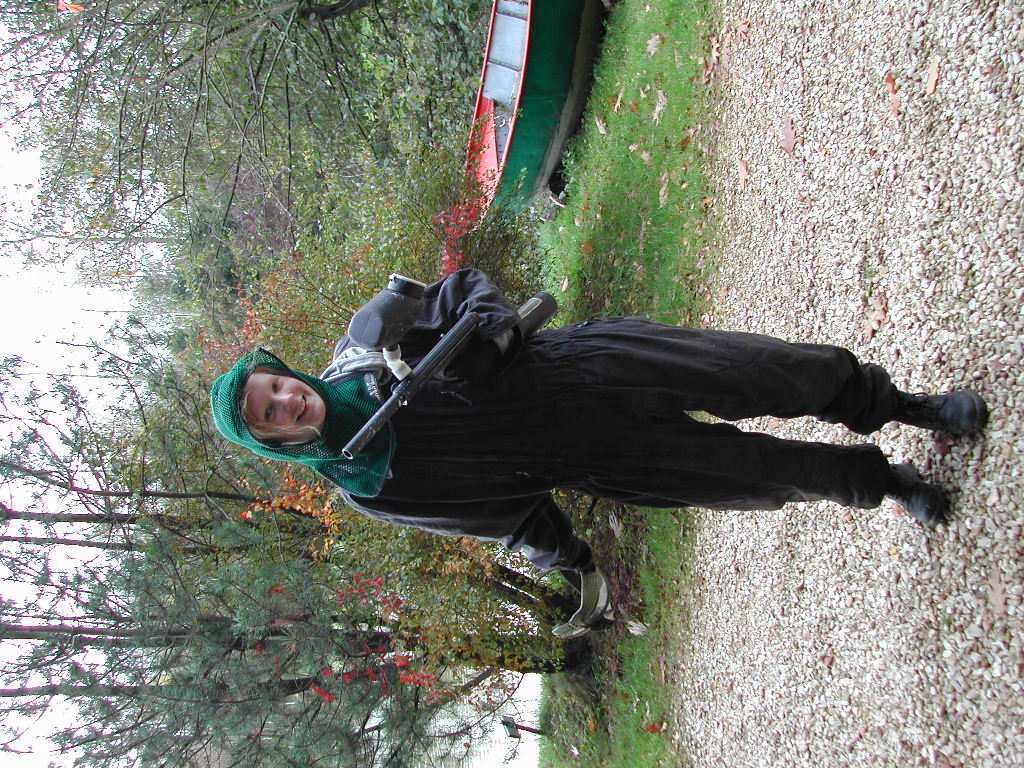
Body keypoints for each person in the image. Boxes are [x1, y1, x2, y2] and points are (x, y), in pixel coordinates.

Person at [210, 269, 988, 636]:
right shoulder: (366, 485)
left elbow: (459, 291)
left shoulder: (364, 346)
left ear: (284, 372)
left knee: (765, 373)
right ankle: (886, 482)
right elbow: (492, 515)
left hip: (590, 365)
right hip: (609, 459)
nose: (284, 401)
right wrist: (569, 559)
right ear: (277, 442)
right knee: (766, 473)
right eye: (268, 416)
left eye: (274, 386)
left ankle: (906, 407)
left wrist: (496, 328)